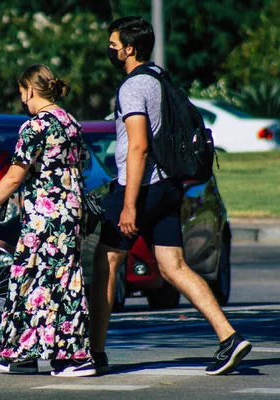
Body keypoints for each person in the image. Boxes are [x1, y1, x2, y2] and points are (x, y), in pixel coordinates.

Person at [89, 16, 252, 376]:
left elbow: (139, 147)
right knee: (173, 266)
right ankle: (229, 337)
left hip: (140, 186)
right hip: (168, 186)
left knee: (107, 263)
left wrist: (129, 204)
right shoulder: (160, 78)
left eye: (114, 44)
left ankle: (94, 353)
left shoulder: (132, 87)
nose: (110, 50)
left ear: (130, 49)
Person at [0, 64, 95, 378]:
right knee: (64, 282)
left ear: (28, 89)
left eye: (21, 94)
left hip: (44, 217)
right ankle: (62, 354)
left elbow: (15, 176)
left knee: (28, 279)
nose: (22, 101)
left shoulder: (35, 126)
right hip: (71, 213)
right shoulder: (71, 123)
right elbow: (83, 165)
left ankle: (27, 353)